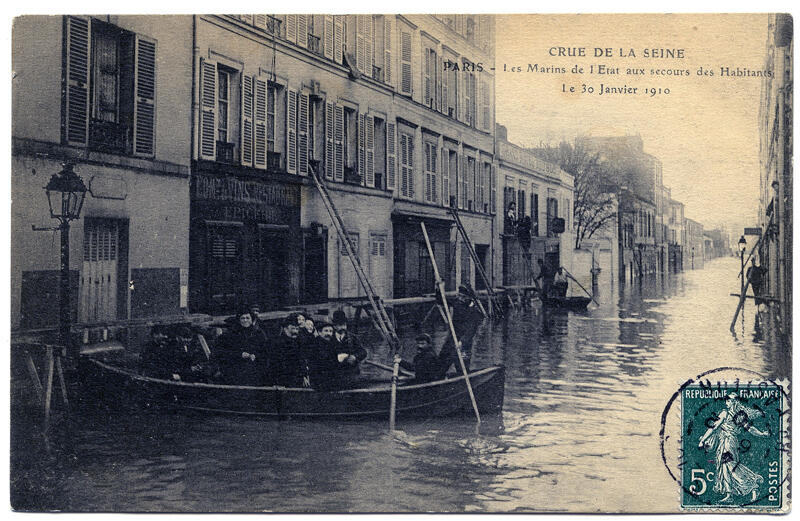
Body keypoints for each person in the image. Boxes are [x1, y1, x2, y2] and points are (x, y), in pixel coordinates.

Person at [698, 393, 769, 503]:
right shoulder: (739, 415)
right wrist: (762, 434)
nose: (728, 402)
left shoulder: (725, 413)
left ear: (734, 402)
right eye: (727, 400)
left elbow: (713, 427)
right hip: (728, 442)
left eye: (730, 400)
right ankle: (729, 494)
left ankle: (753, 484)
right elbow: (751, 429)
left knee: (730, 466)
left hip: (728, 442)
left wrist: (703, 440)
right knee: (726, 466)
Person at [214, 310, 270, 386]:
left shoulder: (259, 333)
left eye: (248, 318)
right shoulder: (230, 334)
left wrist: (256, 355)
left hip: (255, 369)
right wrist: (239, 355)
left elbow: (265, 351)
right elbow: (220, 352)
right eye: (242, 318)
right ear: (239, 320)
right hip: (236, 369)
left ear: (252, 319)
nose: (245, 320)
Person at [438, 285, 485, 374]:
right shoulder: (457, 303)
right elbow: (441, 300)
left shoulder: (474, 312)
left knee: (462, 368)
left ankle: (463, 380)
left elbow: (471, 330)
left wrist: (462, 342)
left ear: (469, 298)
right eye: (459, 296)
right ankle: (437, 380)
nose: (460, 298)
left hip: (463, 344)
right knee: (441, 363)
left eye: (463, 297)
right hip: (452, 339)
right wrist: (438, 288)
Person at [270, 315, 311, 388]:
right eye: (292, 328)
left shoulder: (299, 343)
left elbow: (301, 361)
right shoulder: (277, 344)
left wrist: (304, 376)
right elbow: (274, 365)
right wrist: (277, 382)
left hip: (297, 381)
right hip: (281, 382)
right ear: (285, 329)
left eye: (297, 329)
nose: (295, 331)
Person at [331, 309, 368, 386]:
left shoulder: (352, 338)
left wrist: (355, 356)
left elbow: (363, 352)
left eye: (344, 325)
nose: (343, 327)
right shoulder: (330, 338)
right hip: (335, 373)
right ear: (334, 326)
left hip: (351, 372)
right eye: (340, 325)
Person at [306, 319, 341, 390]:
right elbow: (317, 365)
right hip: (320, 381)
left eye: (331, 331)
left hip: (331, 379)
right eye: (326, 331)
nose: (329, 334)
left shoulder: (332, 344)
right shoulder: (314, 345)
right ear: (319, 332)